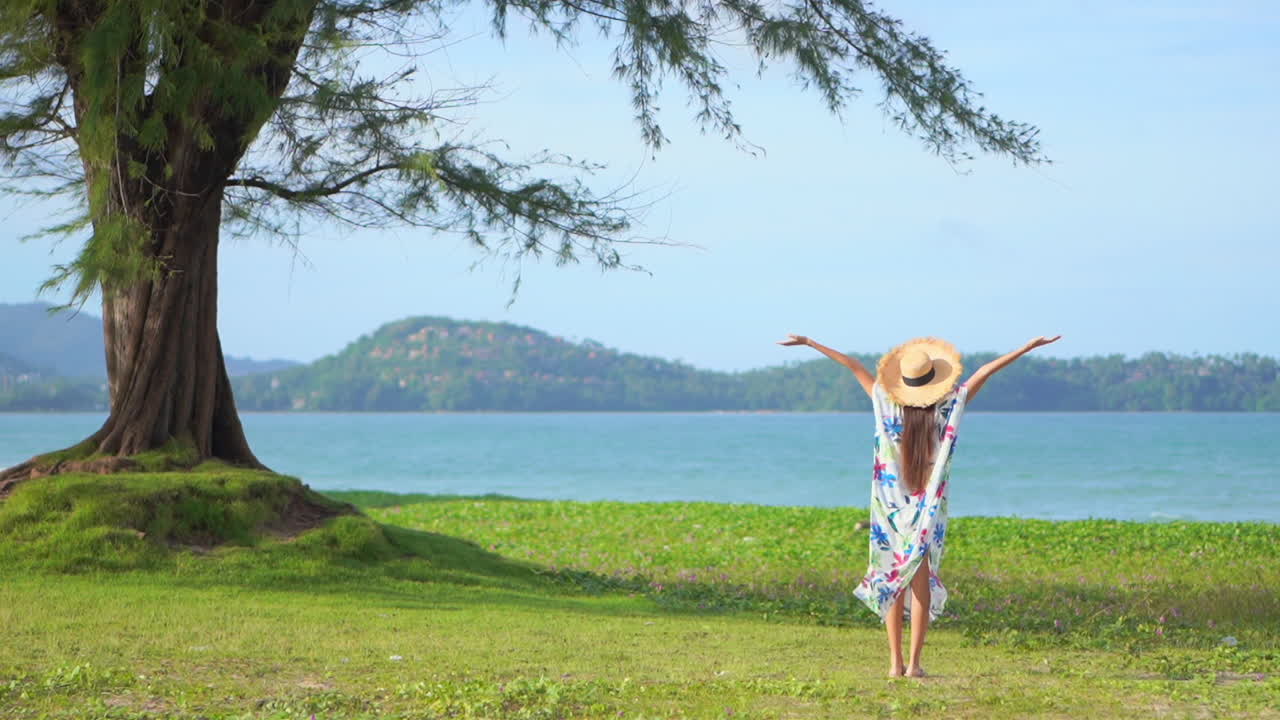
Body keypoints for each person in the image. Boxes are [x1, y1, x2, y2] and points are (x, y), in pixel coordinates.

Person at [778, 333, 1061, 678]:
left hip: (890, 509)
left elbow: (853, 365)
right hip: (927, 509)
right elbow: (986, 371)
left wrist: (810, 343)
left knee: (893, 580)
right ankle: (914, 665)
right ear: (933, 380)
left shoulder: (885, 403)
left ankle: (894, 664)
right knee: (920, 583)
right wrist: (1027, 347)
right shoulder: (949, 407)